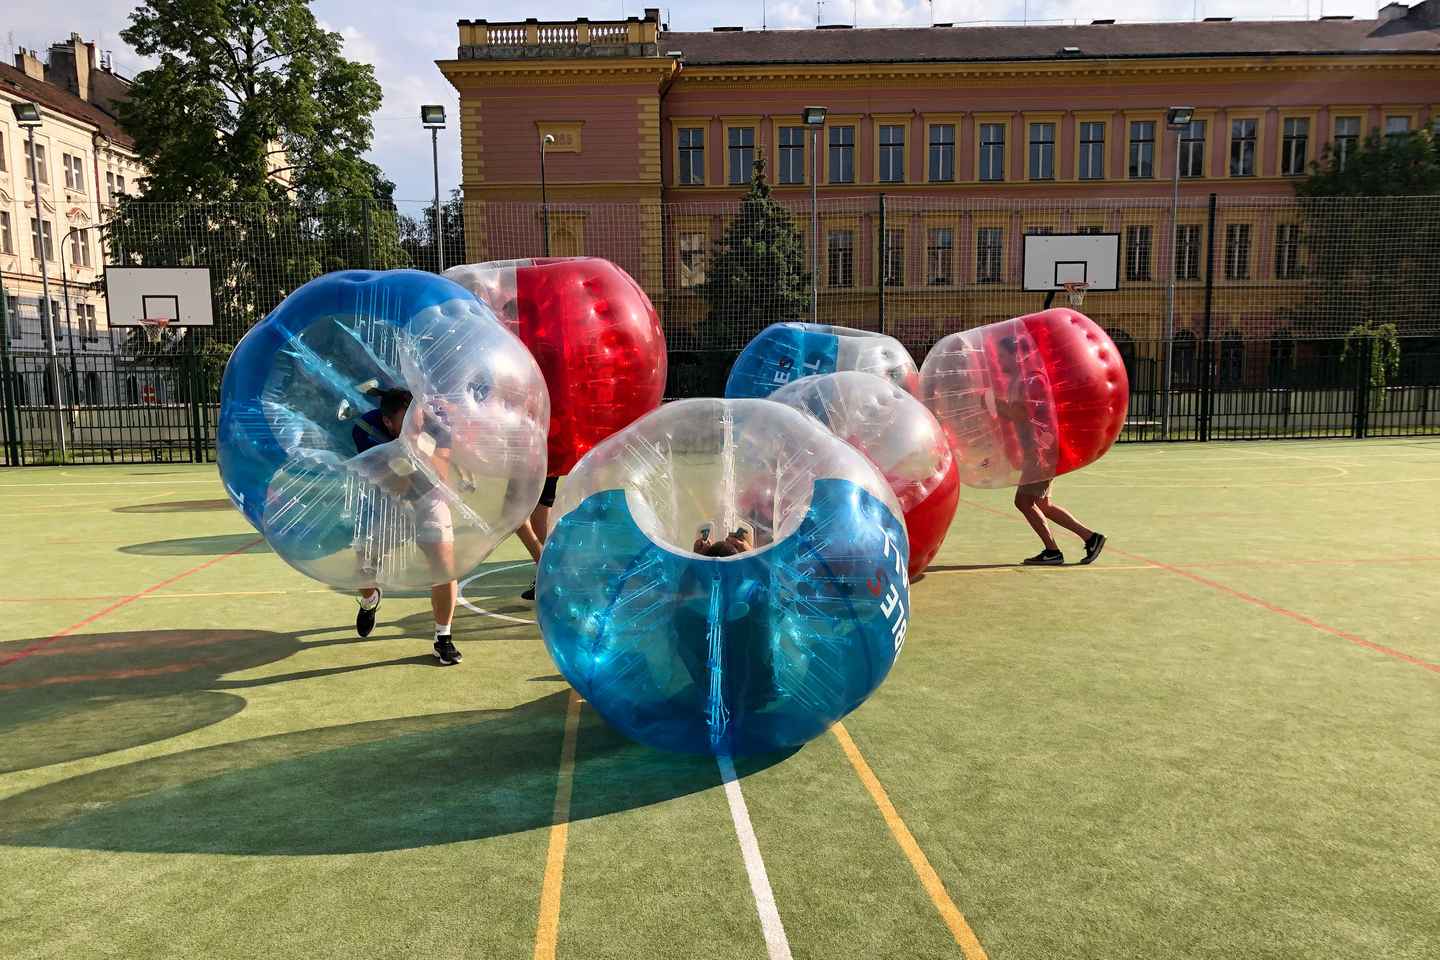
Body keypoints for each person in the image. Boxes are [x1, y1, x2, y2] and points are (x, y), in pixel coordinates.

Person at [351, 388, 464, 665]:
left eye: (418, 417)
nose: (417, 423)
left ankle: (443, 637)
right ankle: (370, 600)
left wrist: (415, 443)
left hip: (428, 493)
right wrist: (405, 452)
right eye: (407, 422)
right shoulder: (366, 428)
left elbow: (438, 473)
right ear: (388, 423)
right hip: (385, 496)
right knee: (364, 568)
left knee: (444, 564)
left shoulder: (435, 424)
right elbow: (393, 484)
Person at [990, 334, 1106, 567]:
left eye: (1002, 357)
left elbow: (1022, 414)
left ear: (1016, 357)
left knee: (1023, 502)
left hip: (1041, 452)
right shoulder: (1019, 381)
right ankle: (1090, 538)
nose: (999, 362)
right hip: (1038, 451)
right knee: (1043, 505)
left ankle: (1053, 551)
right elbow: (1017, 414)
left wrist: (991, 403)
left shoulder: (1031, 381)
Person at [518, 476, 558, 601]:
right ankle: (549, 576)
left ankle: (552, 575)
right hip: (551, 460)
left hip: (531, 462)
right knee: (540, 515)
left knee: (515, 518)